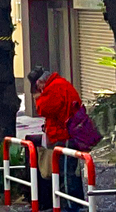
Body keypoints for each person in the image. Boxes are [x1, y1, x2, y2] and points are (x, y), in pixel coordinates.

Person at [28, 66, 93, 209]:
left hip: (66, 136)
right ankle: (70, 203)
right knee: (68, 171)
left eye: (37, 86)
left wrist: (38, 97)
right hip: (69, 134)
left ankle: (70, 206)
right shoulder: (60, 83)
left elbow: (43, 109)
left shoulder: (54, 88)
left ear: (40, 81)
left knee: (66, 172)